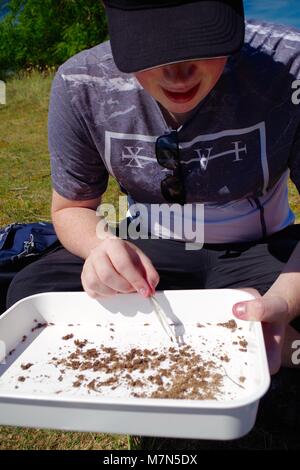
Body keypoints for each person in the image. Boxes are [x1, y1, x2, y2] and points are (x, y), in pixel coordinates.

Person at [5, 0, 300, 376]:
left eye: (201, 41)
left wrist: (286, 301)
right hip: (149, 249)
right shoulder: (81, 83)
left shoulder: (289, 66)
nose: (178, 75)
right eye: (152, 48)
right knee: (34, 292)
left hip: (261, 249)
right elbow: (71, 208)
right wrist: (102, 248)